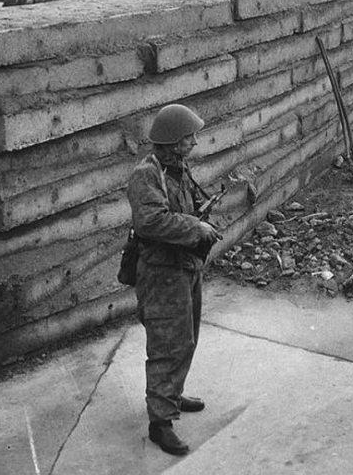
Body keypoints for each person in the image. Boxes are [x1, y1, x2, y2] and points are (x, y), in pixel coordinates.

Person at [127, 104, 222, 457]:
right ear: (171, 141)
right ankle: (160, 422)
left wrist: (202, 215)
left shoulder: (177, 169)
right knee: (168, 343)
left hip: (183, 266)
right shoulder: (146, 175)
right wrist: (195, 227)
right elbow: (150, 222)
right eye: (189, 137)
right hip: (162, 273)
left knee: (186, 337)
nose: (195, 142)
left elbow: (181, 210)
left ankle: (173, 392)